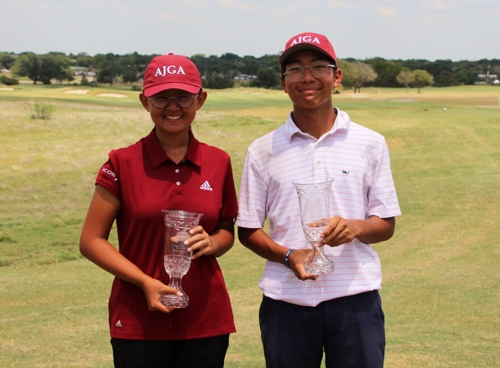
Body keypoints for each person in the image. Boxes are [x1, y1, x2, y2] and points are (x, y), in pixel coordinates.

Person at [236, 32, 401, 368]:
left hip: (356, 299)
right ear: (283, 83)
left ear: (336, 76)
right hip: (286, 301)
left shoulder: (370, 143)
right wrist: (288, 255)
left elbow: (385, 224)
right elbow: (248, 230)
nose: (307, 77)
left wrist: (355, 227)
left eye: (319, 67)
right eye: (295, 70)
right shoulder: (263, 150)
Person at [79, 53, 238, 368]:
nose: (173, 106)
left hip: (205, 318)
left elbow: (225, 229)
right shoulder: (121, 162)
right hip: (138, 318)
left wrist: (213, 243)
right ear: (144, 101)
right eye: (161, 97)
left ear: (200, 99)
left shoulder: (218, 161)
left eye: (183, 97)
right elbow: (91, 241)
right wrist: (144, 282)